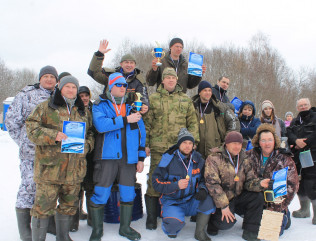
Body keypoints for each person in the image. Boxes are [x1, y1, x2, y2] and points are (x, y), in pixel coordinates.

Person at [26, 76, 94, 241]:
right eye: (67, 87)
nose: (71, 90)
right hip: (50, 170)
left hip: (74, 171)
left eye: (74, 87)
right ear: (60, 87)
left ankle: (63, 237)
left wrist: (87, 146)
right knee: (42, 208)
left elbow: (91, 133)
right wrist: (53, 135)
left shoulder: (82, 111)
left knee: (69, 206)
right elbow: (31, 129)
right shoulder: (46, 107)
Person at [89, 73, 146, 241]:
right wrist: (125, 119)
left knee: (128, 194)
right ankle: (97, 230)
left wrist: (141, 158)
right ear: (110, 87)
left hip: (128, 159)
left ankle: (125, 228)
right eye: (119, 85)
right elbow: (101, 125)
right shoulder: (101, 105)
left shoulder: (132, 106)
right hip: (107, 157)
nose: (123, 87)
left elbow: (142, 134)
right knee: (101, 193)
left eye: (124, 85)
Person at [5, 65, 58, 241]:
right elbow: (12, 121)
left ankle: (47, 222)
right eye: (46, 76)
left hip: (53, 152)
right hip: (31, 152)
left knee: (49, 187)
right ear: (40, 78)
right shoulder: (26, 95)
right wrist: (23, 141)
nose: (49, 79)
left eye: (52, 76)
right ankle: (25, 229)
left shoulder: (59, 95)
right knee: (29, 187)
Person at [143, 67, 199, 231]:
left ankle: (172, 210)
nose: (170, 80)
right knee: (154, 180)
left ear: (176, 80)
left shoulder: (185, 100)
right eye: (167, 78)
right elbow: (147, 124)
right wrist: (145, 144)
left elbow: (193, 123)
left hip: (179, 150)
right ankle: (152, 217)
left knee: (177, 180)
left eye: (173, 78)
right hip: (158, 148)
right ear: (162, 80)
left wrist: (193, 142)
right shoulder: (153, 99)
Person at [204, 131, 270, 241]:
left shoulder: (244, 158)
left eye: (239, 143)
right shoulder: (214, 158)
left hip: (239, 195)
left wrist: (260, 184)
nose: (237, 146)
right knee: (226, 224)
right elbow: (212, 183)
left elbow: (249, 181)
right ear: (226, 144)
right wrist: (224, 206)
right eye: (234, 143)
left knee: (257, 196)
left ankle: (250, 231)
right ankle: (213, 223)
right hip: (223, 199)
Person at [152, 128, 215, 240]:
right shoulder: (168, 159)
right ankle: (172, 221)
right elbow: (156, 183)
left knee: (209, 199)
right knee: (172, 229)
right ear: (179, 144)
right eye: (184, 142)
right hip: (173, 202)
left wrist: (202, 189)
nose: (187, 146)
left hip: (191, 200)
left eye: (190, 143)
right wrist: (176, 185)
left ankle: (199, 232)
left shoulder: (198, 159)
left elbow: (204, 179)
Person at [247, 124, 299, 235]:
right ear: (258, 142)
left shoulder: (285, 159)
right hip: (256, 200)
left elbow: (292, 186)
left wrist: (277, 207)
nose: (267, 143)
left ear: (275, 141)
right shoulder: (249, 156)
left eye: (270, 140)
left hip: (276, 203)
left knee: (268, 233)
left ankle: (284, 214)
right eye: (263, 140)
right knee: (253, 230)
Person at [87, 39, 149, 114]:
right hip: (110, 112)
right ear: (121, 64)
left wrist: (145, 106)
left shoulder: (139, 80)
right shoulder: (111, 76)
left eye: (131, 63)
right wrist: (99, 54)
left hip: (130, 115)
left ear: (135, 65)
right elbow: (93, 72)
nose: (129, 65)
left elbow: (143, 97)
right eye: (126, 62)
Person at [192, 80, 240, 159]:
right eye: (205, 90)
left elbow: (234, 121)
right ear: (199, 92)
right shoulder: (192, 107)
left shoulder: (220, 107)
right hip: (196, 153)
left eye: (210, 90)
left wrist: (225, 144)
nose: (208, 93)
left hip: (216, 152)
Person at [287, 98, 316, 224]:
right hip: (298, 157)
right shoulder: (294, 121)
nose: (303, 107)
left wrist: (305, 142)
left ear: (309, 105)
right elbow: (289, 133)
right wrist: (295, 141)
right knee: (301, 184)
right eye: (300, 105)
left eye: (305, 105)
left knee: (312, 184)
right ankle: (304, 210)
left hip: (313, 157)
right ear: (297, 108)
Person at [69, 86, 94, 232]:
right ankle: (74, 219)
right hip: (74, 155)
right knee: (76, 188)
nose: (84, 98)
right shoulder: (73, 109)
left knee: (90, 186)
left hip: (91, 154)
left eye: (86, 95)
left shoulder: (94, 108)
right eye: (81, 95)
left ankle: (92, 218)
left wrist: (89, 145)